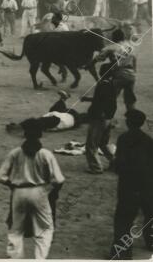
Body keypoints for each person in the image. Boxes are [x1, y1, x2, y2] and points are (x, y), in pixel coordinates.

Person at [0, 118, 65, 259]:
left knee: (16, 230)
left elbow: (0, 176)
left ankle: (15, 258)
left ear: (25, 135)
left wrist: (12, 184)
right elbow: (59, 179)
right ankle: (40, 258)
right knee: (45, 230)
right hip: (39, 192)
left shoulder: (15, 153)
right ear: (40, 135)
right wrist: (50, 191)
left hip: (18, 192)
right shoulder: (46, 154)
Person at [110, 109, 153, 259]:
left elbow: (119, 163)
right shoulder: (148, 140)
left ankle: (122, 252)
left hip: (128, 185)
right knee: (149, 215)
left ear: (129, 122)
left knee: (123, 219)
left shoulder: (123, 139)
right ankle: (150, 242)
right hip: (147, 185)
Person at [80, 63, 117, 174]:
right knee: (103, 143)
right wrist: (87, 99)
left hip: (99, 118)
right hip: (108, 118)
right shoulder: (111, 84)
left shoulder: (102, 85)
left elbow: (99, 102)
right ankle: (115, 162)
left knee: (92, 144)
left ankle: (96, 167)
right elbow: (103, 100)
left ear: (102, 73)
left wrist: (99, 114)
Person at [94, 29, 137, 110]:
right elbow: (135, 61)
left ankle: (107, 118)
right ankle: (132, 116)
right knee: (129, 99)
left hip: (120, 74)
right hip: (131, 75)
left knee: (111, 97)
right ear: (123, 37)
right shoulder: (131, 47)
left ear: (113, 37)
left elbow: (99, 58)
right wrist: (134, 73)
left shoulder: (111, 47)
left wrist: (91, 63)